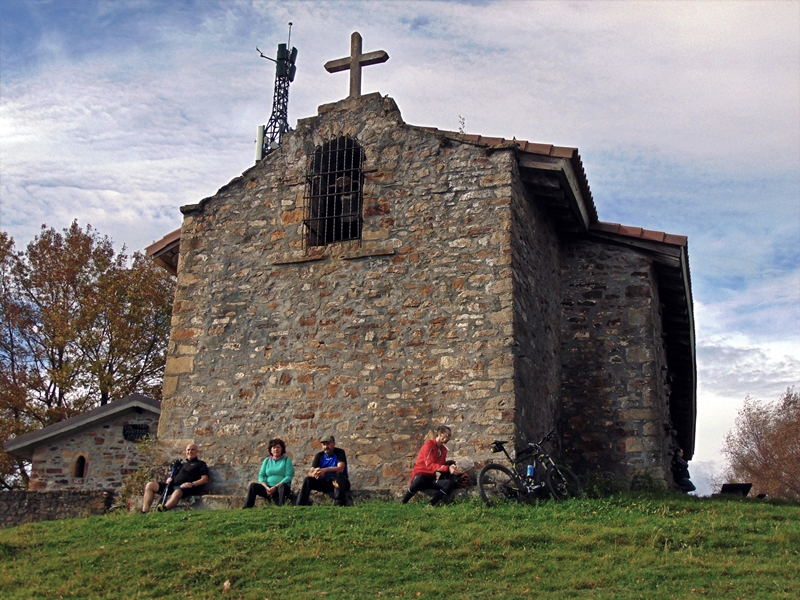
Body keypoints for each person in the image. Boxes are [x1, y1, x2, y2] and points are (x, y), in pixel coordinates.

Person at [401, 425, 463, 506]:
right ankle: (403, 503)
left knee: (450, 483)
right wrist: (447, 468)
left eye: (450, 436)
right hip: (421, 475)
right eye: (448, 435)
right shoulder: (429, 445)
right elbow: (429, 465)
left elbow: (441, 466)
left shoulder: (443, 450)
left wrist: (453, 469)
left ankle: (431, 504)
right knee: (419, 480)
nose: (449, 438)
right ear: (440, 434)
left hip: (431, 479)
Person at [142, 443, 209, 512]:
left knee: (177, 492)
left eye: (193, 450)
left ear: (197, 452)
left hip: (186, 488)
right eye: (188, 450)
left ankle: (163, 509)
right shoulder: (181, 465)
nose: (190, 452)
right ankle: (145, 511)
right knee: (150, 485)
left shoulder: (201, 464)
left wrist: (192, 484)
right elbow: (174, 476)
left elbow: (205, 479)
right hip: (172, 486)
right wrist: (170, 478)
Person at [296, 435, 350, 506]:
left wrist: (325, 470)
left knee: (338, 475)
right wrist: (315, 473)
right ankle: (300, 505)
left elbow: (341, 469)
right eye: (324, 444)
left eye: (328, 444)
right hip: (326, 483)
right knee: (307, 480)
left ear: (333, 444)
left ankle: (339, 503)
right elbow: (310, 472)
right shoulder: (319, 456)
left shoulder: (339, 452)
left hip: (339, 483)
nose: (326, 447)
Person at [243, 438, 295, 508]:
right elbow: (261, 475)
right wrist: (266, 487)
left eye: (278, 447)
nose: (276, 449)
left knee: (282, 486)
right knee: (253, 486)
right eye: (274, 448)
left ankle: (281, 507)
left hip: (280, 488)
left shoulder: (287, 460)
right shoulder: (267, 460)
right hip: (268, 488)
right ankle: (247, 507)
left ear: (282, 449)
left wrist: (275, 487)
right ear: (271, 450)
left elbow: (289, 476)